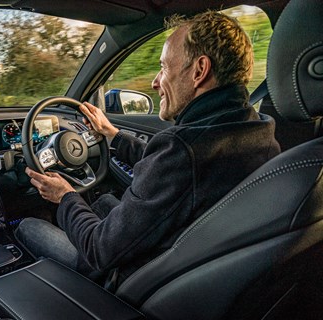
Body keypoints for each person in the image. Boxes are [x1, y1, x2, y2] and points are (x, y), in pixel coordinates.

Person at [17, 11, 281, 285]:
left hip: (131, 282)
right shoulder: (255, 129)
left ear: (200, 71)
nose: (156, 82)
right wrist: (113, 135)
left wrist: (65, 196)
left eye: (165, 67)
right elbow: (170, 170)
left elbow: (99, 250)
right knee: (104, 201)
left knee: (28, 225)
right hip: (183, 266)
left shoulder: (184, 150)